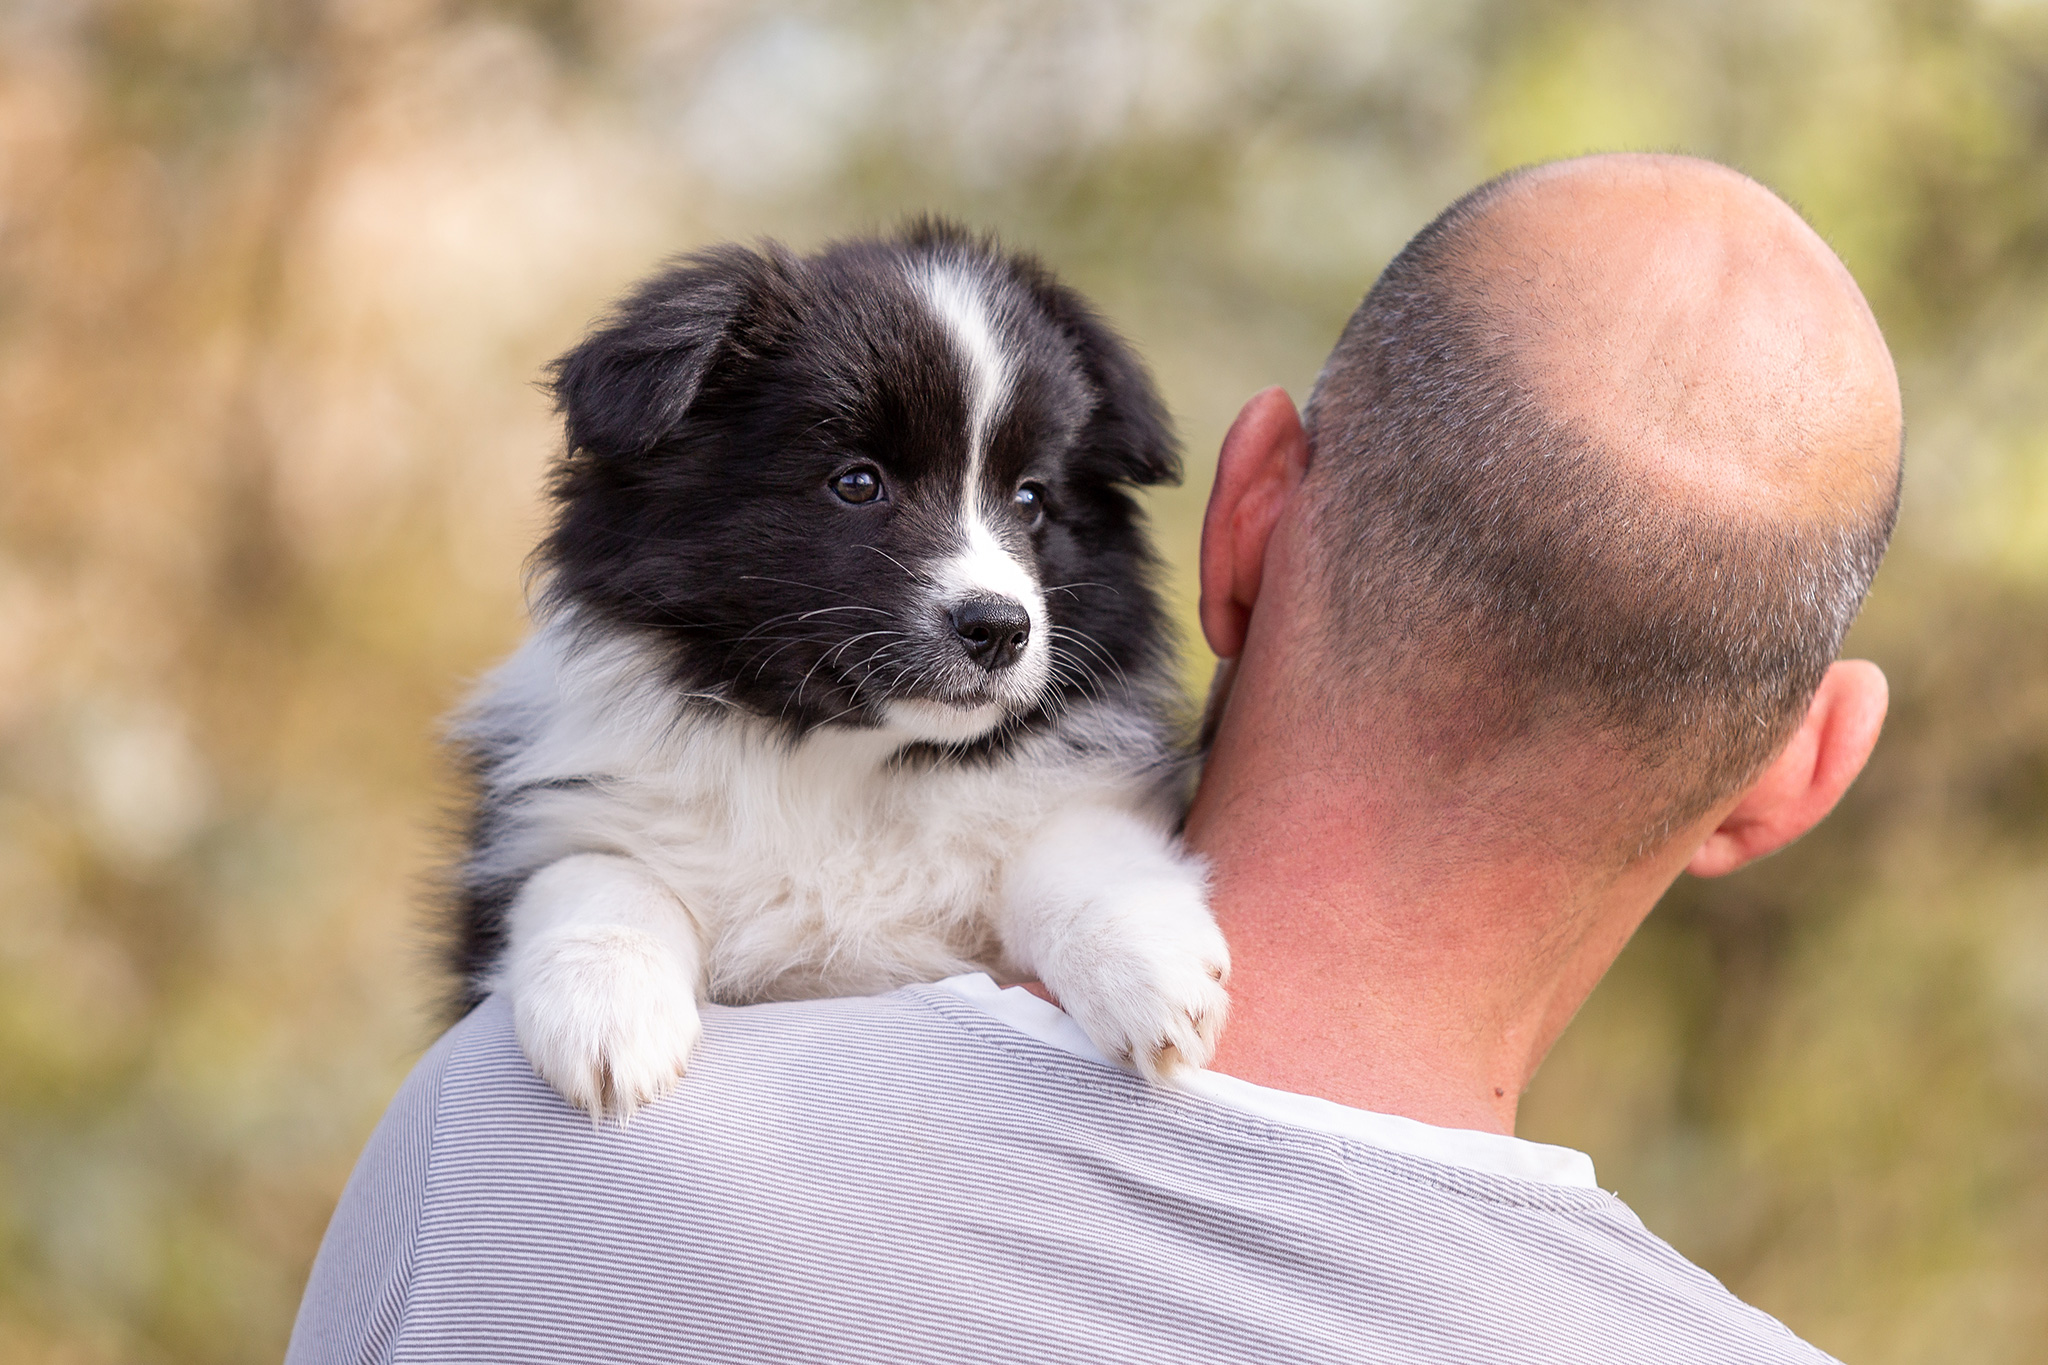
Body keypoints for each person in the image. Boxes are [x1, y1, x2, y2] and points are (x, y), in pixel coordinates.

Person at [287, 153, 1901, 1364]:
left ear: (1248, 510)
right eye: (871, 484)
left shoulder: (520, 1157)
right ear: (1803, 766)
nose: (984, 570)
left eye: (1028, 505)